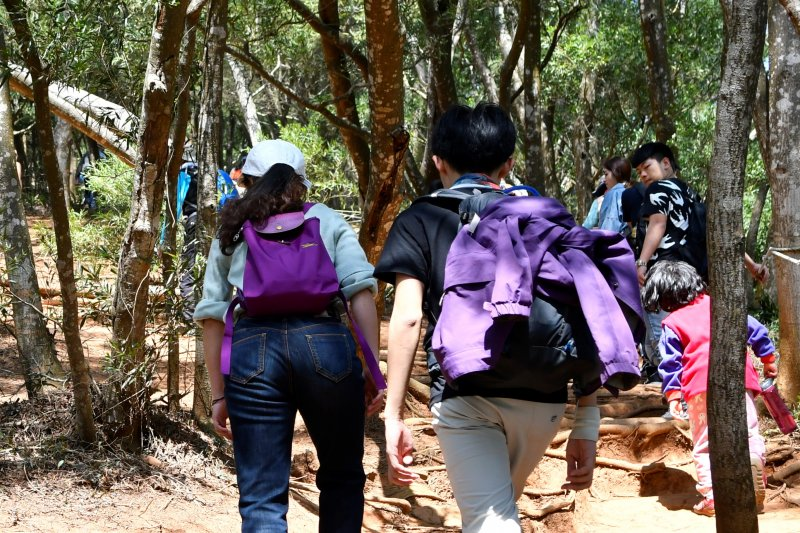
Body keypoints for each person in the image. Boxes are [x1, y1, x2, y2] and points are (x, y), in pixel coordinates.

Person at [375, 103, 643, 532]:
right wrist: (587, 421)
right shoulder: (544, 217)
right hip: (545, 395)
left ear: (438, 162)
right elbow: (586, 306)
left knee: (491, 522)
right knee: (494, 516)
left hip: (466, 395)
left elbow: (407, 318)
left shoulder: (420, 218)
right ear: (509, 163)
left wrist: (392, 415)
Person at [194, 139, 383, 532]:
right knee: (342, 477)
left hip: (252, 352)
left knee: (262, 497)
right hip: (327, 346)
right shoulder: (327, 219)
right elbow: (360, 292)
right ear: (300, 184)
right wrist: (370, 370)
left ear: (248, 181)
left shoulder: (233, 228)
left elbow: (213, 314)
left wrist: (218, 393)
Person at [642, 260, 778, 517]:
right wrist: (769, 361)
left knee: (704, 443)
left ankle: (713, 497)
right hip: (738, 381)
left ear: (663, 296)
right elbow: (756, 330)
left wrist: (673, 395)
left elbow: (671, 364)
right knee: (748, 432)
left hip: (698, 388)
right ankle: (754, 465)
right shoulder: (722, 305)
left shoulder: (672, 323)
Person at [597, 156, 632, 233]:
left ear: (616, 173)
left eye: (606, 174)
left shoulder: (614, 194)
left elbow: (610, 226)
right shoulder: (629, 192)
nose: (604, 179)